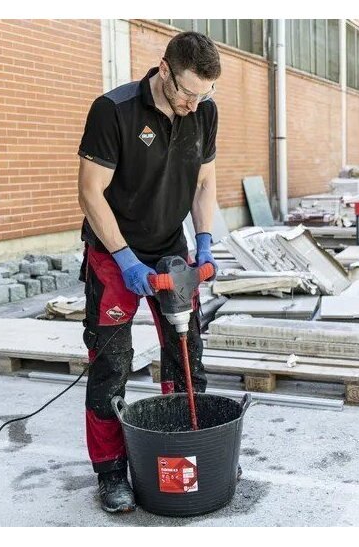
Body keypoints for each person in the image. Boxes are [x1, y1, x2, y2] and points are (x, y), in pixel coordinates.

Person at [76, 31, 221, 513]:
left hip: (170, 252)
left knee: (186, 355)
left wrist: (204, 240)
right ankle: (111, 471)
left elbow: (204, 184)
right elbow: (90, 192)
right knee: (111, 364)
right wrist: (124, 259)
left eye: (204, 95)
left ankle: (188, 447)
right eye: (188, 92)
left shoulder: (203, 112)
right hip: (113, 253)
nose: (193, 104)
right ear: (164, 70)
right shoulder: (113, 111)